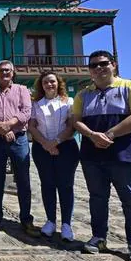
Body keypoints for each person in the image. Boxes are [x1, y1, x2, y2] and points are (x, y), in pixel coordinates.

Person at [73, 50, 131, 261]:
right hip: (92, 156)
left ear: (113, 65)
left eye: (103, 64)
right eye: (93, 66)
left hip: (125, 156)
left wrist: (110, 134)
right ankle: (99, 237)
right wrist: (91, 135)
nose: (98, 68)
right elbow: (75, 120)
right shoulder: (83, 95)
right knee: (97, 198)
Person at [0, 60, 39, 237]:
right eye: (0, 70)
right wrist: (2, 129)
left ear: (13, 73)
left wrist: (8, 125)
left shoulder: (22, 90)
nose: (4, 73)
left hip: (19, 139)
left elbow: (25, 112)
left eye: (7, 70)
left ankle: (26, 219)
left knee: (23, 180)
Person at [28, 71, 79, 241]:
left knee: (65, 186)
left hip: (66, 148)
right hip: (42, 149)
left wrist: (55, 142)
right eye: (45, 83)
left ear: (58, 83)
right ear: (41, 86)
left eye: (52, 81)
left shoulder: (68, 102)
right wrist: (46, 144)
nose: (49, 85)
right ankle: (50, 221)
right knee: (47, 184)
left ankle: (66, 224)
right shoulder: (36, 104)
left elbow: (71, 126)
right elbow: (33, 126)